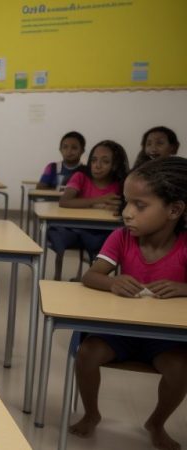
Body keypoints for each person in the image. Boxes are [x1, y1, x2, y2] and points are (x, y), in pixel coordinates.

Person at [74, 156, 187, 450]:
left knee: (180, 370)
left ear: (174, 210)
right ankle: (91, 413)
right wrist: (113, 281)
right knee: (86, 353)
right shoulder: (121, 239)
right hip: (120, 331)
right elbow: (90, 275)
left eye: (140, 205)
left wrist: (183, 288)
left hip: (166, 339)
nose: (127, 213)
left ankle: (157, 423)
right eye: (126, 203)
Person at [49, 140, 129, 263]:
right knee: (58, 233)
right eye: (94, 160)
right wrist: (100, 200)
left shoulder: (120, 184)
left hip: (103, 232)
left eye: (105, 161)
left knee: (113, 239)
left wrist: (120, 207)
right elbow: (64, 201)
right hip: (75, 229)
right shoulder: (80, 176)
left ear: (115, 165)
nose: (97, 165)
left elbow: (124, 210)